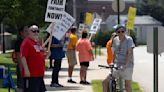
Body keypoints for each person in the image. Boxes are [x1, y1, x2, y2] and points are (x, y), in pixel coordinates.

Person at [102, 25, 135, 92]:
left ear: (125, 32)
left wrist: (125, 65)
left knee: (127, 85)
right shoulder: (115, 40)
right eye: (119, 32)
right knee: (105, 82)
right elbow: (114, 53)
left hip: (127, 66)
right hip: (117, 65)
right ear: (116, 33)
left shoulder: (129, 39)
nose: (121, 33)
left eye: (122, 31)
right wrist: (112, 63)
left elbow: (129, 53)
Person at [20, 25, 47, 92]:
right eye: (34, 31)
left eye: (37, 31)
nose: (36, 33)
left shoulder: (38, 42)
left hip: (39, 74)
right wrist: (26, 69)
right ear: (29, 32)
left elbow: (42, 56)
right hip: (31, 74)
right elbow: (23, 57)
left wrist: (47, 54)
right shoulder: (26, 42)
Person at [14, 26, 28, 92]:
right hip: (22, 66)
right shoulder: (19, 42)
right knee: (21, 86)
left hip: (28, 66)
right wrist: (21, 67)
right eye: (25, 31)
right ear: (21, 33)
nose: (27, 32)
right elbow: (18, 54)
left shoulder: (28, 41)